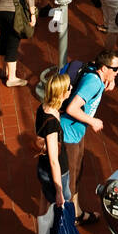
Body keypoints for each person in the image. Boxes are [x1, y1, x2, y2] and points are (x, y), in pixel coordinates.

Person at [62, 49, 118, 225]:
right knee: (71, 179)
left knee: (78, 172)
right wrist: (93, 121)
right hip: (69, 134)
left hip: (76, 132)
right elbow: (71, 108)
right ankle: (67, 221)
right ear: (104, 68)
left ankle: (77, 212)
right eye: (115, 69)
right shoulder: (93, 83)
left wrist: (108, 82)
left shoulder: (97, 75)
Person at [36, 71, 72, 208]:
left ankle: (43, 228)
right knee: (61, 205)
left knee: (45, 200)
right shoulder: (51, 123)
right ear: (62, 93)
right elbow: (53, 160)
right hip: (56, 174)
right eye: (69, 87)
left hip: (43, 167)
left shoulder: (43, 107)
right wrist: (59, 191)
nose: (71, 88)